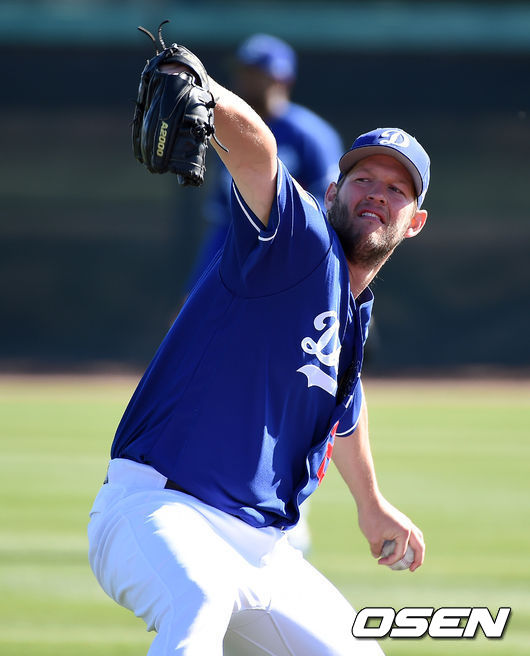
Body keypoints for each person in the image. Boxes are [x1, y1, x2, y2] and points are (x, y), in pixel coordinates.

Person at [88, 44, 429, 656]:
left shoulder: (353, 314)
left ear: (415, 222)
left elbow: (345, 409)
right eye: (364, 179)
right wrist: (207, 91)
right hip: (161, 508)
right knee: (198, 603)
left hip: (263, 550)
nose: (377, 193)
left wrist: (371, 503)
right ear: (333, 192)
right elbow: (260, 155)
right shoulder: (302, 246)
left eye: (396, 188)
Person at [186, 34, 344, 289]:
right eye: (243, 72)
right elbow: (224, 221)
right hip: (242, 263)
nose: (245, 81)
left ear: (283, 79)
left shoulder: (310, 134)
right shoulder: (228, 131)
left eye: (256, 73)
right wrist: (197, 287)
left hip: (296, 263)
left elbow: (332, 210)